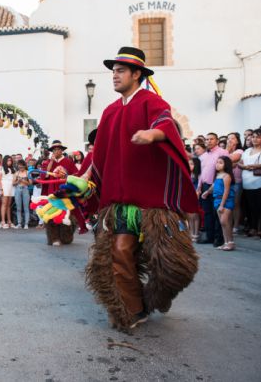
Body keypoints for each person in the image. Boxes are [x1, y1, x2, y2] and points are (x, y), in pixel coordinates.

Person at [84, 47, 199, 331]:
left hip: (154, 204)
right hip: (120, 204)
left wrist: (152, 134)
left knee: (173, 266)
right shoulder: (109, 112)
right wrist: (82, 178)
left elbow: (165, 125)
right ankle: (135, 309)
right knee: (120, 252)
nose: (115, 75)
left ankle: (159, 296)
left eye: (121, 70)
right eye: (113, 71)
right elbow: (99, 156)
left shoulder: (151, 101)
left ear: (137, 74)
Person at [238, 128, 261, 239]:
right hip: (247, 182)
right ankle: (253, 228)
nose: (255, 139)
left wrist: (255, 166)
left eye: (258, 137)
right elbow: (240, 163)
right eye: (253, 137)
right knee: (251, 207)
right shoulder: (246, 151)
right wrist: (244, 166)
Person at [197, 133, 229, 246]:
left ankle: (218, 238)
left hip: (218, 185)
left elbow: (225, 170)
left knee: (217, 213)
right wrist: (199, 187)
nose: (209, 141)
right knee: (207, 213)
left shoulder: (223, 152)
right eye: (207, 139)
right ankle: (209, 236)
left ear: (217, 140)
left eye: (211, 139)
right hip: (205, 185)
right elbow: (201, 173)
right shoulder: (203, 155)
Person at [202, 156, 236, 251]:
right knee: (223, 223)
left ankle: (230, 242)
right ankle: (226, 242)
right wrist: (207, 192)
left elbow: (226, 191)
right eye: (217, 162)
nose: (217, 164)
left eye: (220, 162)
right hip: (217, 200)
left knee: (224, 221)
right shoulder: (218, 175)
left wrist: (222, 204)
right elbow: (213, 186)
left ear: (226, 165)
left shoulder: (227, 176)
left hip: (226, 201)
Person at [0, 155, 15, 228]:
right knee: (4, 204)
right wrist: (1, 189)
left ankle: (9, 221)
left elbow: (14, 178)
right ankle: (3, 221)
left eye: (10, 160)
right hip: (4, 186)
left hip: (11, 187)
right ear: (5, 161)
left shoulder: (13, 169)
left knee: (9, 205)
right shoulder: (1, 169)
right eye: (8, 160)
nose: (9, 162)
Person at [13, 160, 31, 229]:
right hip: (18, 189)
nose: (20, 167)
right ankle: (19, 223)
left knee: (26, 208)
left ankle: (26, 224)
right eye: (19, 165)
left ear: (24, 165)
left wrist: (23, 181)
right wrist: (18, 181)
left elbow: (30, 183)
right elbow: (13, 183)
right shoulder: (16, 173)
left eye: (21, 165)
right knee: (18, 208)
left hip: (25, 189)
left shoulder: (28, 172)